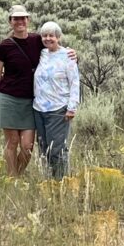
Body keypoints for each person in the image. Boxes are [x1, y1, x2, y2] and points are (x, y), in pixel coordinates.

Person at [0, 6, 76, 178]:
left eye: (23, 18)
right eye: (16, 18)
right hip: (8, 98)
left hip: (31, 101)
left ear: (28, 20)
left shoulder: (37, 40)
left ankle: (17, 175)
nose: (20, 21)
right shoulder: (4, 46)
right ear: (10, 21)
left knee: (27, 146)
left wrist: (72, 53)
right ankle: (13, 179)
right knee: (12, 142)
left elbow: (55, 48)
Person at [33, 21, 80, 179]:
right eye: (44, 36)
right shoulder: (42, 54)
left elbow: (74, 82)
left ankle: (61, 182)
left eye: (51, 35)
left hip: (58, 109)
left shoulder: (68, 56)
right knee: (44, 147)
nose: (48, 39)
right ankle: (49, 179)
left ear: (58, 37)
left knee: (57, 149)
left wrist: (72, 107)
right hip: (39, 108)